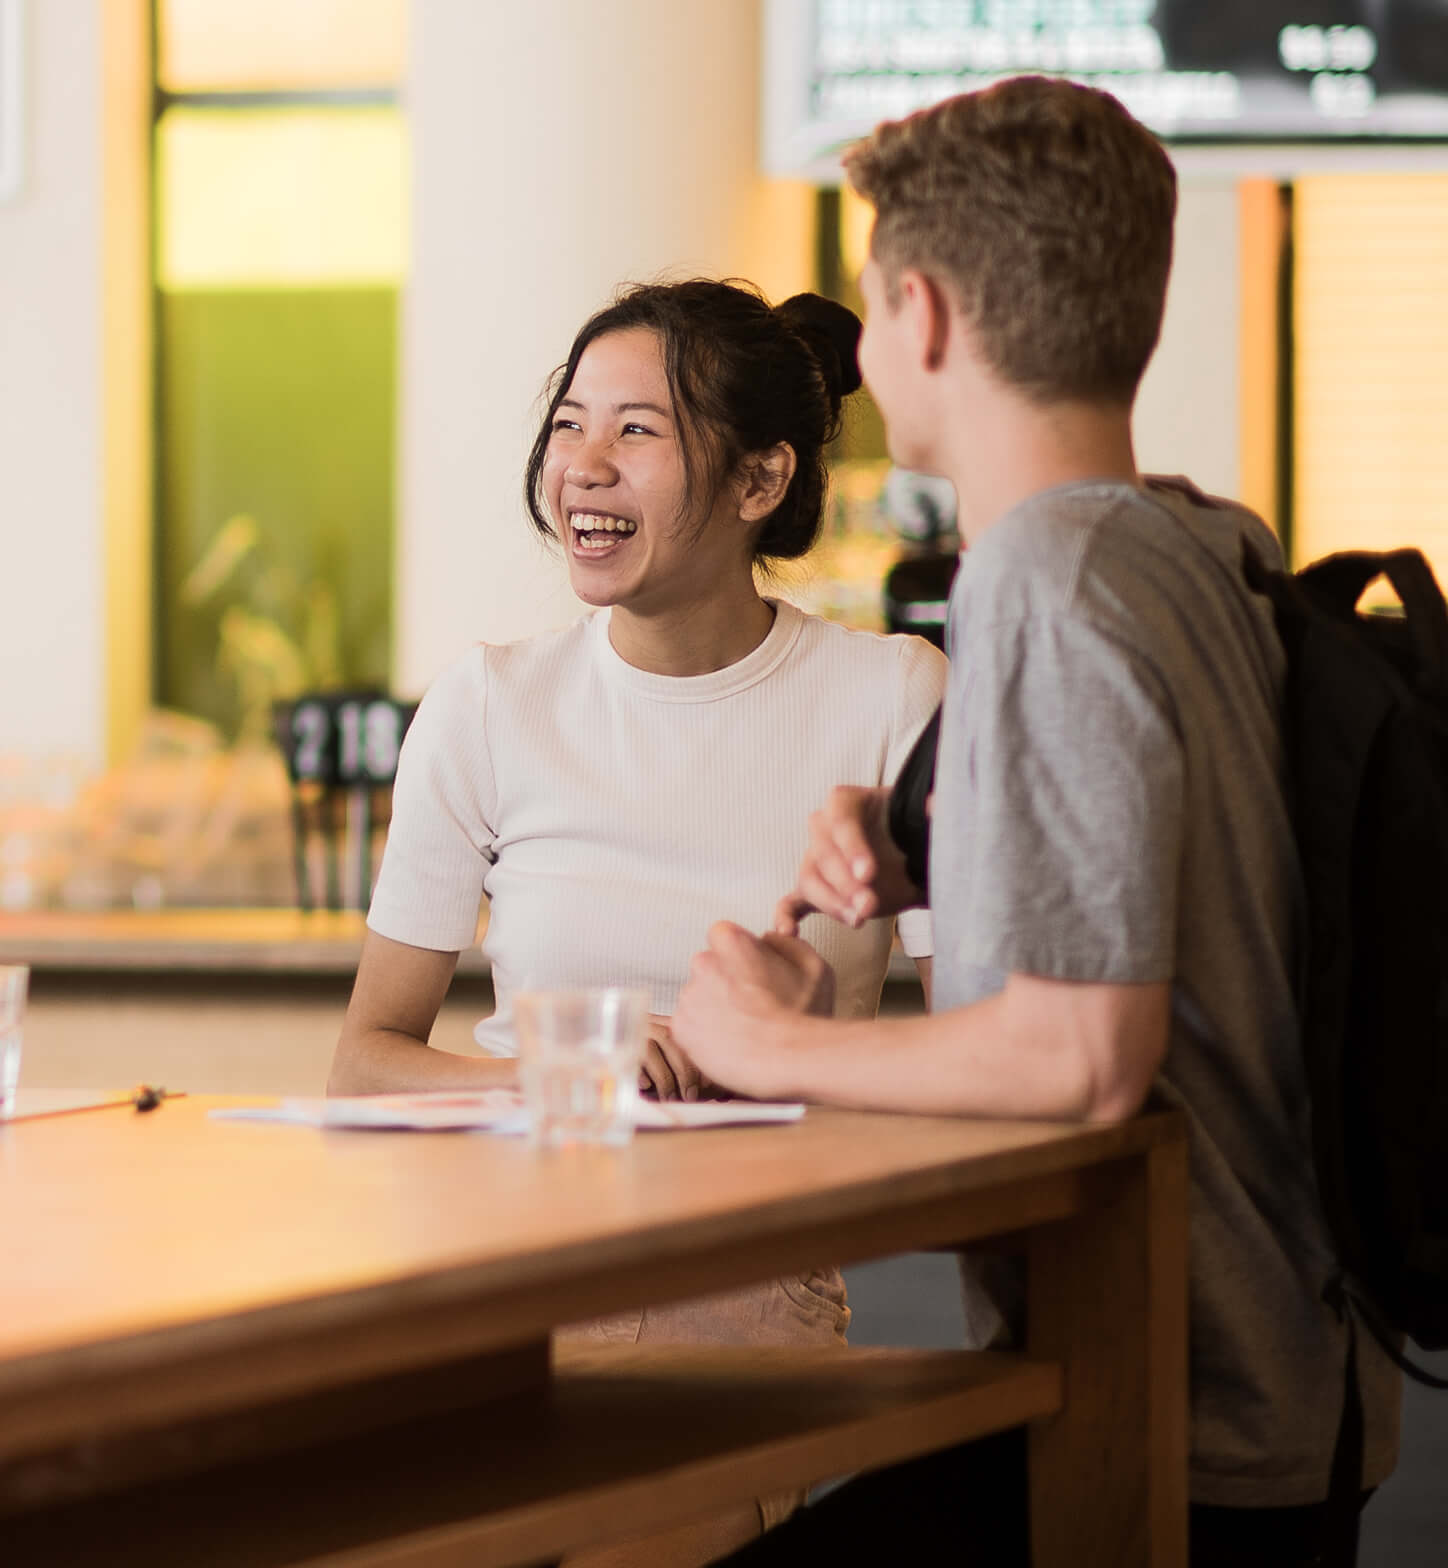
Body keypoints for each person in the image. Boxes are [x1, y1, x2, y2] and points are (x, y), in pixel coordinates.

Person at [677, 76, 1398, 1566]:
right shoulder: (1199, 539)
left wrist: (767, 1049)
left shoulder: (1042, 580)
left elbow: (1084, 1057)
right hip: (1281, 1388)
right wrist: (935, 827)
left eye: (873, 313)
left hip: (1163, 1421)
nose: (868, 353)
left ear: (926, 317)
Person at [331, 278, 942, 1561]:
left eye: (635, 432)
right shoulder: (486, 704)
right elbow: (365, 1060)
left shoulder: (891, 698)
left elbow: (977, 1061)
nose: (580, 468)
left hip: (737, 1274)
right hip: (500, 1254)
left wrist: (775, 1059)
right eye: (566, 424)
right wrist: (568, 1079)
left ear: (758, 480)